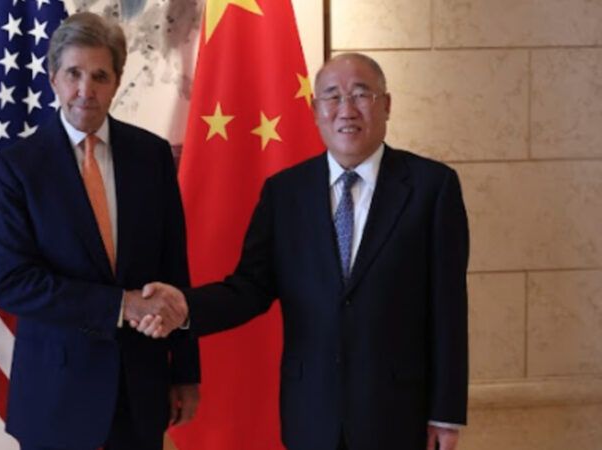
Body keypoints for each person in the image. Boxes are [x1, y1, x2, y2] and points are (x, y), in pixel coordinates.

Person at [136, 53, 469, 450]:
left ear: (387, 105)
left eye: (361, 94)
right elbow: (249, 288)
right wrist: (185, 308)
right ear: (315, 111)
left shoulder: (432, 188)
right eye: (332, 96)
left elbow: (449, 309)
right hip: (312, 413)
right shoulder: (285, 193)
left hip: (399, 414)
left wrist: (446, 415)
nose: (346, 109)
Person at [0, 12, 200, 450]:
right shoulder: (19, 167)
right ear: (53, 79)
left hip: (139, 391)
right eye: (74, 74)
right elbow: (13, 284)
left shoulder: (152, 157)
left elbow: (174, 270)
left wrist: (184, 371)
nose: (86, 90)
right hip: (56, 395)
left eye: (100, 75)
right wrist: (120, 305)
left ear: (117, 81)